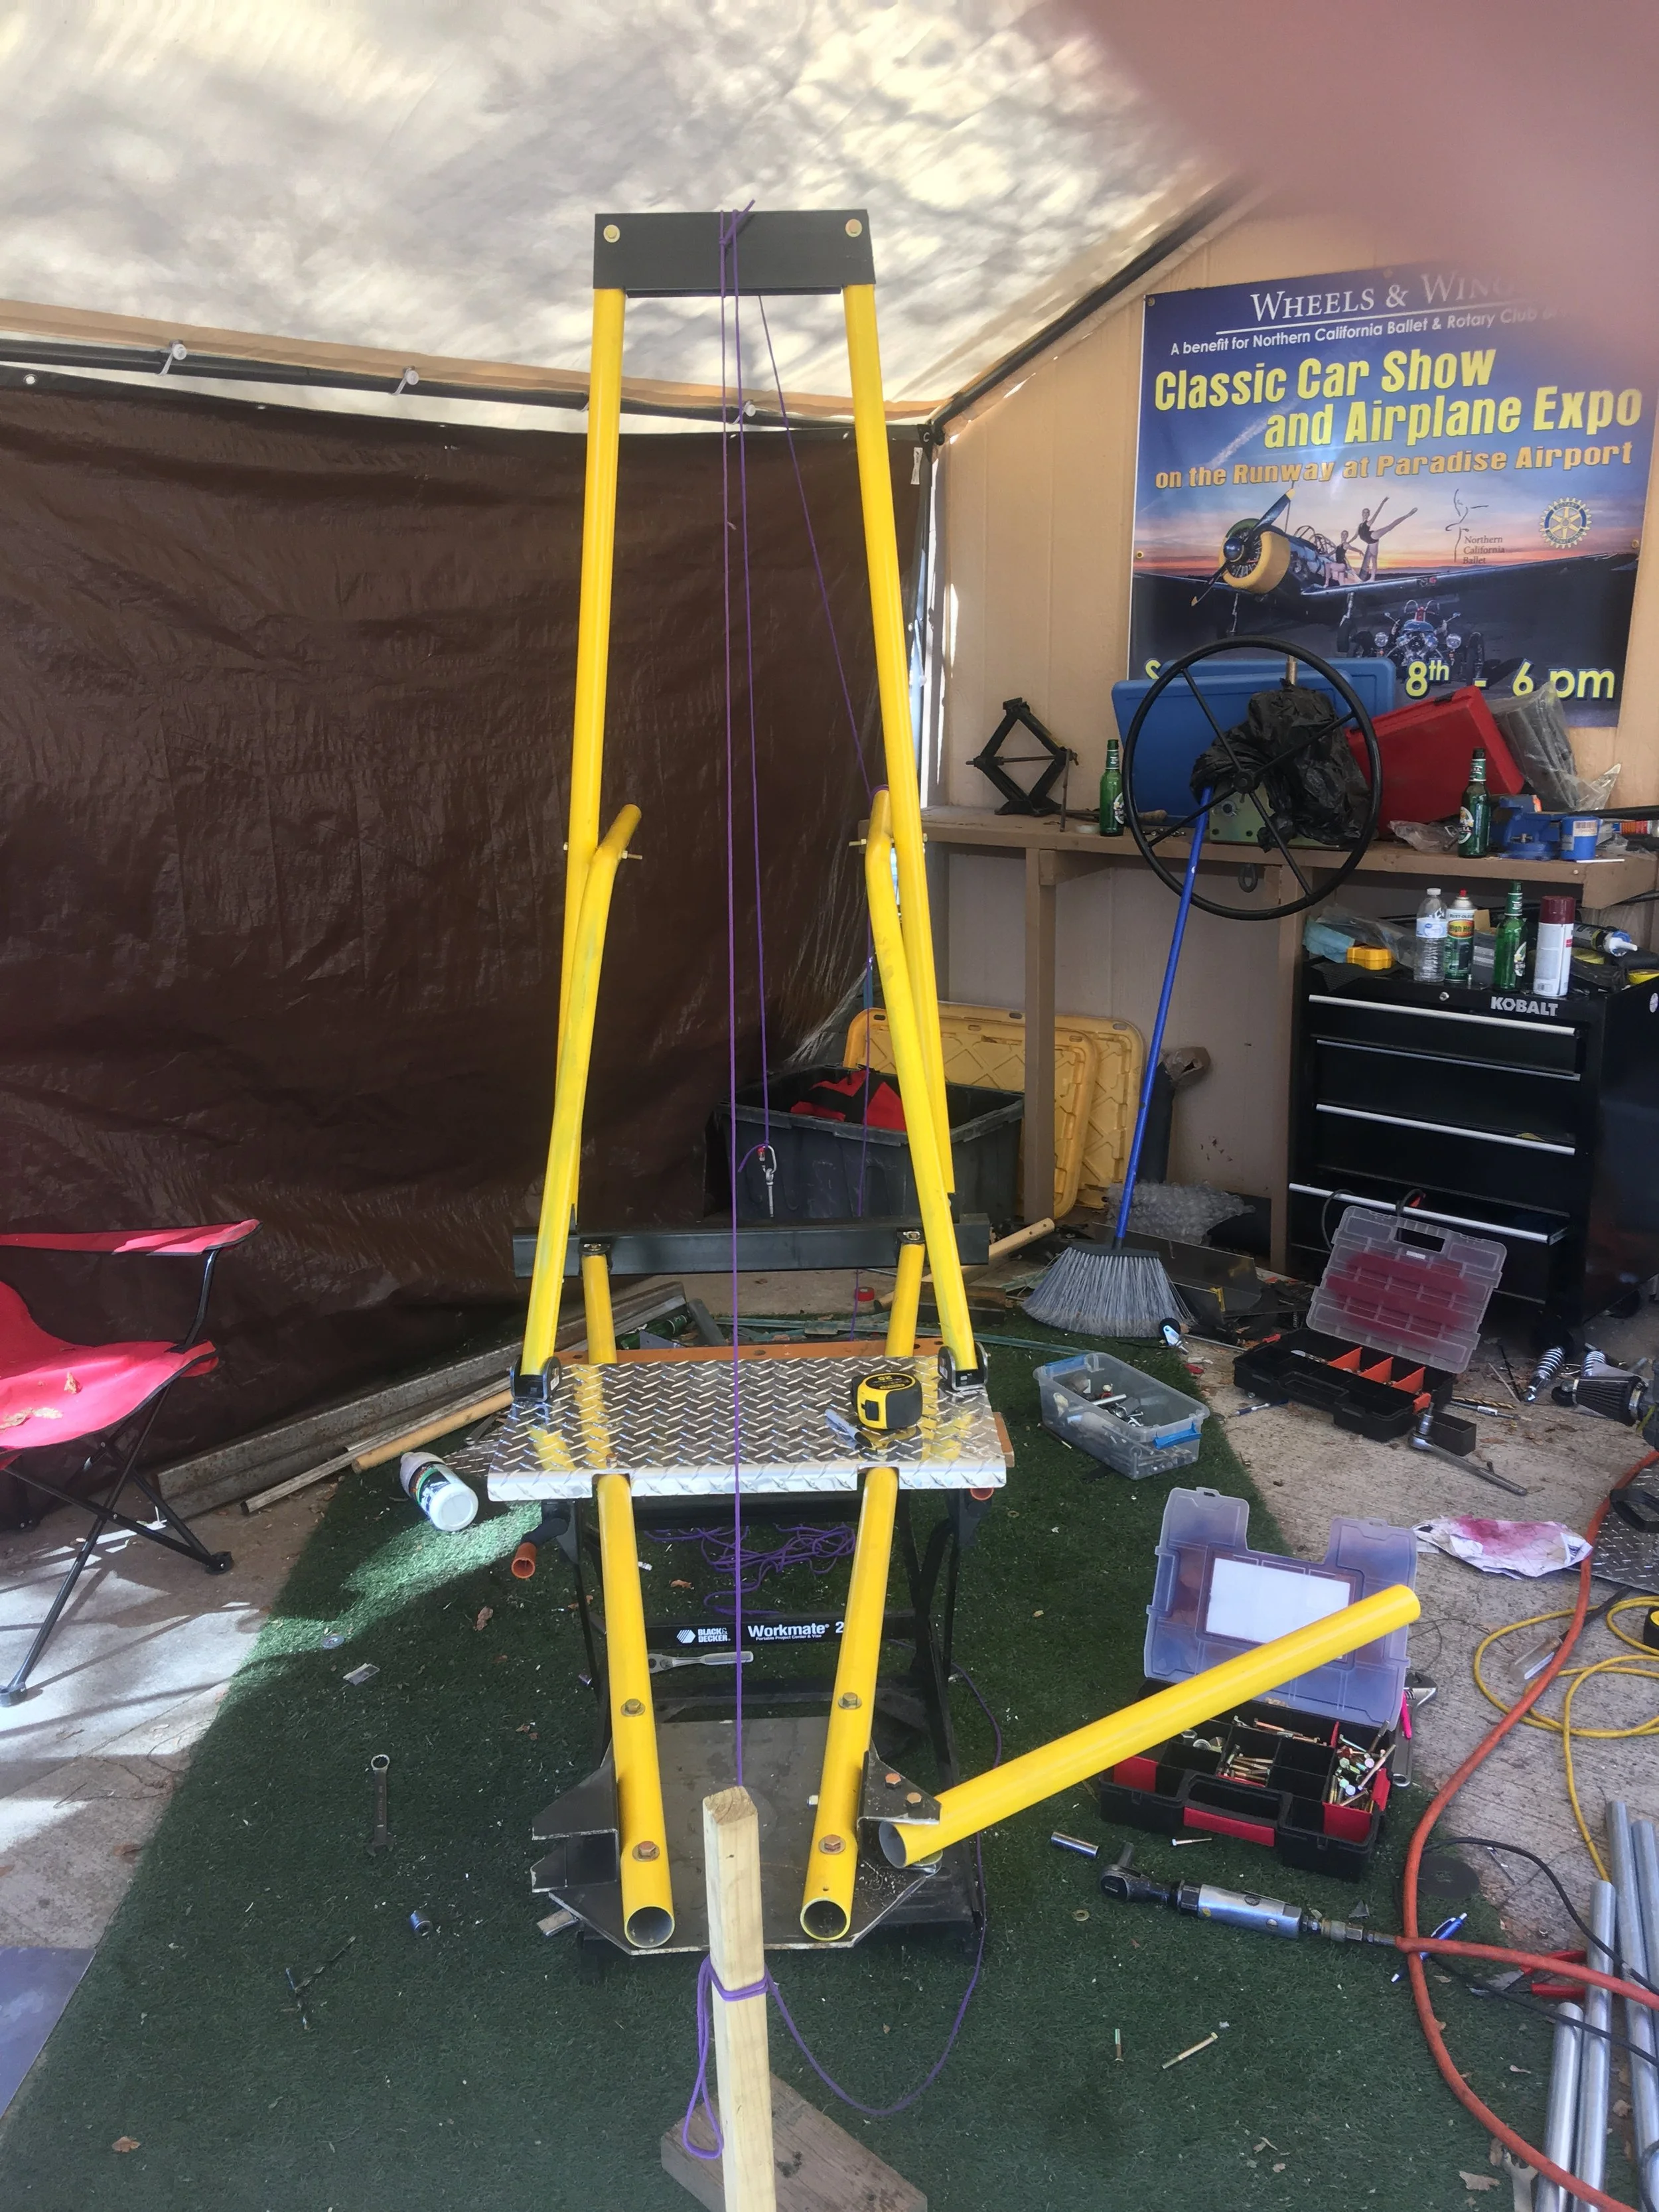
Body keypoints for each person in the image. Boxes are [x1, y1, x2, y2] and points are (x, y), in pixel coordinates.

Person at [1354, 499, 1417, 579]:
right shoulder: (1360, 526)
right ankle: (1372, 579)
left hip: (1372, 536)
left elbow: (1377, 513)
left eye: (1367, 512)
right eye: (1364, 512)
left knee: (1389, 527)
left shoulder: (1368, 523)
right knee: (1374, 559)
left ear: (1369, 514)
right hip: (1371, 542)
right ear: (1362, 514)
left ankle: (1408, 515)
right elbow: (1355, 536)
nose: (1366, 514)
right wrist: (1347, 543)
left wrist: (1383, 503)